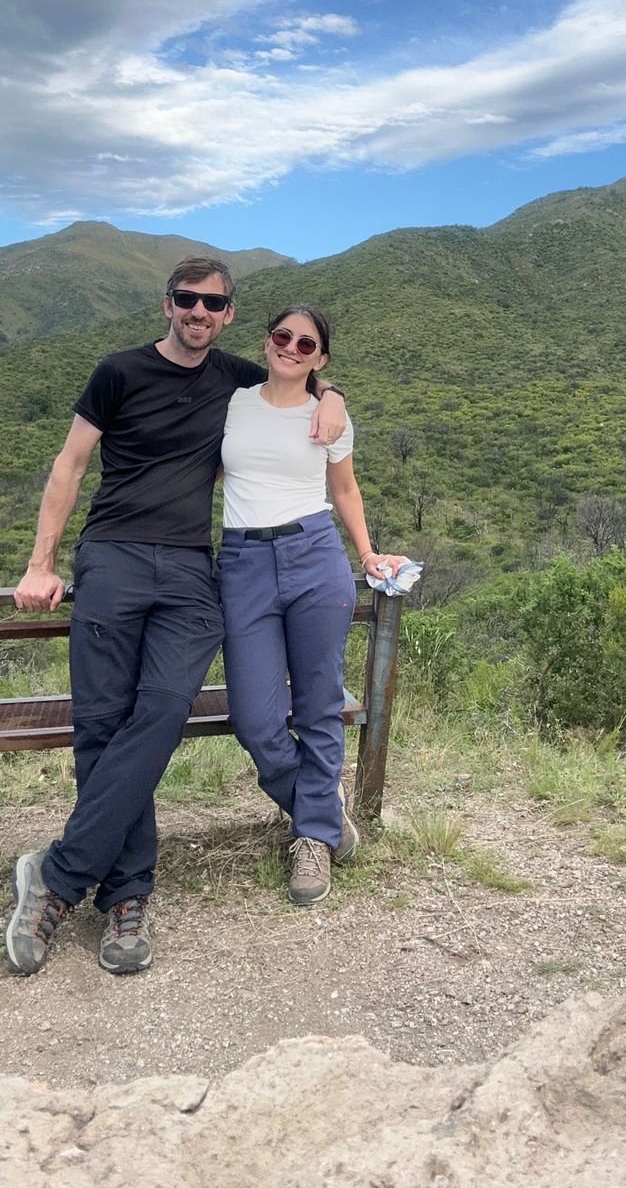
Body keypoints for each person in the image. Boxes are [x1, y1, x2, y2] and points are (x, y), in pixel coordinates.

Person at [4, 260, 346, 976]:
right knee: (103, 724)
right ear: (167, 305)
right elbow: (69, 466)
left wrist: (333, 396)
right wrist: (42, 563)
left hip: (192, 569)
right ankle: (126, 896)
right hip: (113, 556)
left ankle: (58, 875)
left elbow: (300, 374)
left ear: (226, 314)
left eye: (212, 302)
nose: (198, 311)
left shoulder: (236, 378)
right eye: (187, 299)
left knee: (161, 712)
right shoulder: (117, 372)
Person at [218, 305, 407, 906]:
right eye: (282, 337)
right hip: (243, 562)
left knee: (320, 702)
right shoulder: (233, 401)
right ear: (267, 342)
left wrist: (370, 554)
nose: (292, 349)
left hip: (314, 553)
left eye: (307, 345)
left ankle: (311, 840)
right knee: (254, 716)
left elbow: (344, 487)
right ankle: (321, 808)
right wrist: (334, 392)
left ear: (320, 358)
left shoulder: (328, 417)